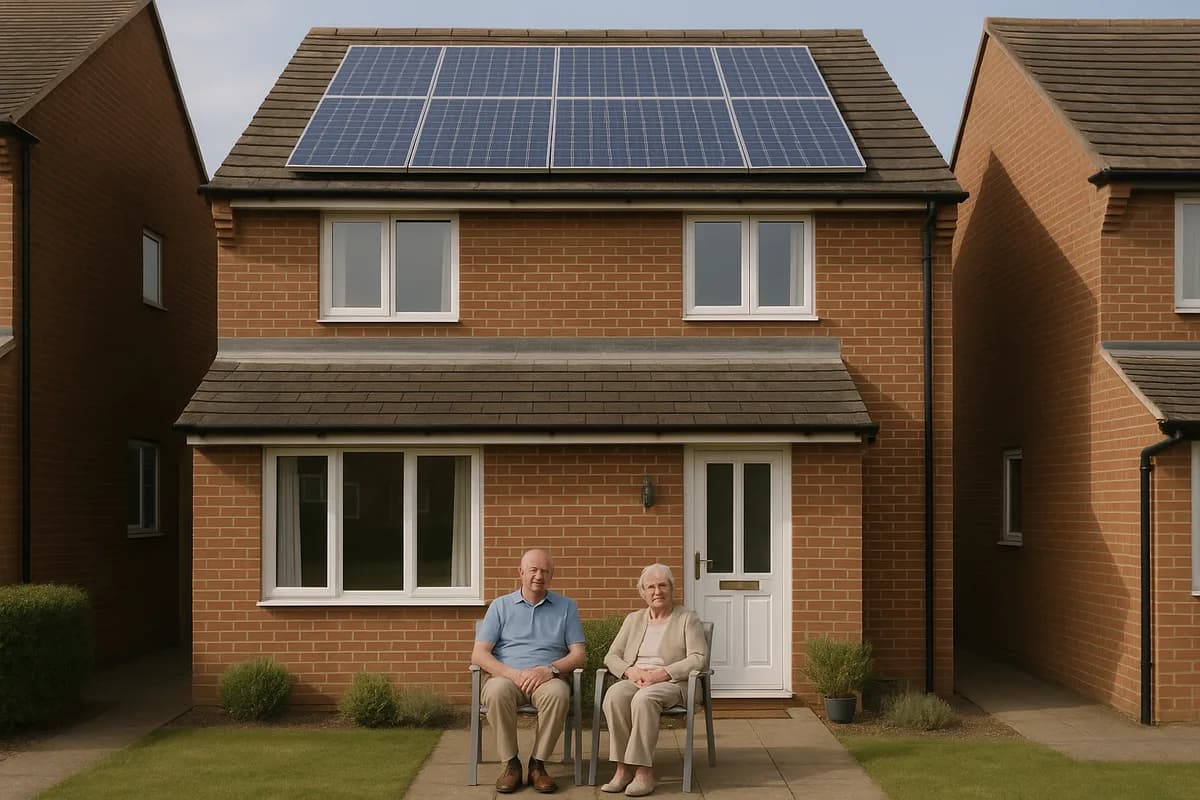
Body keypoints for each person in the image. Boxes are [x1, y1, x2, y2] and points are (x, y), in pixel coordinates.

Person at [472, 548, 587, 794]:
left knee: (558, 694)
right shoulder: (500, 607)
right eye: (533, 570)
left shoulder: (566, 607)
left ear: (551, 575)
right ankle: (511, 764)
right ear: (521, 572)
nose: (539, 576)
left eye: (545, 571)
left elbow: (578, 654)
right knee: (495, 692)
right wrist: (513, 674)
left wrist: (550, 669)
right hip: (507, 676)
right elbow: (479, 654)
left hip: (547, 678)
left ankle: (538, 764)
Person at [600, 564, 708, 797]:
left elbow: (698, 658)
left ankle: (643, 772)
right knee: (614, 696)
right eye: (651, 587)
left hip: (673, 683)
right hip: (637, 679)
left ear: (672, 588)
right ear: (642, 592)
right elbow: (611, 656)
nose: (657, 591)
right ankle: (622, 769)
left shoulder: (687, 619)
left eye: (662, 585)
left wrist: (662, 673)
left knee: (644, 699)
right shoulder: (633, 619)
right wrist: (630, 671)